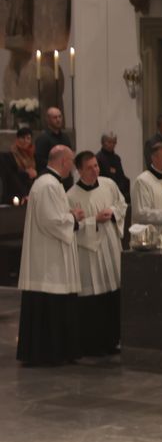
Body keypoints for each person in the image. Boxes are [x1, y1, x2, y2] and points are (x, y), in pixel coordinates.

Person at [16, 145, 83, 367]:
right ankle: (49, 353)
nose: (72, 167)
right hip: (48, 261)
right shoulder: (48, 185)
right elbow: (50, 221)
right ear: (63, 161)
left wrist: (69, 216)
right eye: (71, 162)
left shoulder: (51, 183)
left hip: (50, 257)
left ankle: (55, 352)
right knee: (51, 303)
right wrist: (73, 218)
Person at [67, 151, 127, 357]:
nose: (95, 170)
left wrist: (113, 212)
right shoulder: (71, 196)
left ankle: (113, 340)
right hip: (89, 254)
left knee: (113, 295)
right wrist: (94, 220)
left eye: (96, 166)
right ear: (79, 170)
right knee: (93, 299)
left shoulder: (108, 184)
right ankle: (92, 345)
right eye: (89, 168)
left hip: (110, 246)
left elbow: (122, 204)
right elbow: (71, 227)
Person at [34, 107, 73, 182]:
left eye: (60, 117)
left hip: (66, 179)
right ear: (48, 120)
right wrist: (57, 165)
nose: (58, 120)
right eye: (55, 117)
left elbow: (69, 155)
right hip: (50, 178)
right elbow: (40, 161)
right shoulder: (42, 138)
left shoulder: (65, 137)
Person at [97, 132, 131, 202]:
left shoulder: (117, 158)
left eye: (114, 142)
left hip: (117, 188)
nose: (112, 144)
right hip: (105, 189)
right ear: (103, 143)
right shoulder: (98, 158)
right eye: (109, 142)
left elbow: (121, 175)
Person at [9, 126, 37, 200]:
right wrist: (26, 173)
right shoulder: (11, 154)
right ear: (17, 139)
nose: (25, 141)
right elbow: (11, 173)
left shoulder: (33, 153)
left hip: (32, 187)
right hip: (17, 188)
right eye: (22, 138)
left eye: (28, 138)